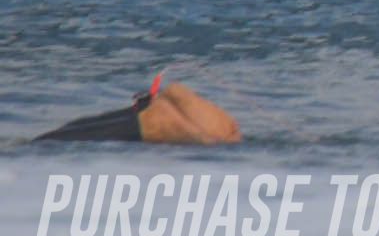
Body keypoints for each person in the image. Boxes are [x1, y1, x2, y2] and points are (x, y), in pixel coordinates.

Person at [34, 74, 240, 145]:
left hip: (165, 124)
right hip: (165, 122)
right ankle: (148, 113)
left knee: (51, 141)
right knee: (54, 139)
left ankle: (151, 114)